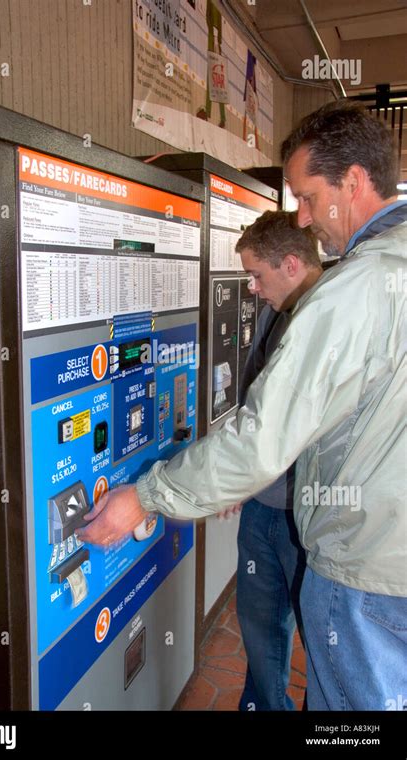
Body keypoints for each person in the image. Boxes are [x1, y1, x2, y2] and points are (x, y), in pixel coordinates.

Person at [77, 100, 407, 711]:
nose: (304, 219)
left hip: (365, 571)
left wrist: (147, 494)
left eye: (308, 197)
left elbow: (261, 439)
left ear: (354, 181)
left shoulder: (356, 288)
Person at [234, 211, 322, 711]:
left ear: (290, 264)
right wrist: (237, 480)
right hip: (262, 508)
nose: (251, 287)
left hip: (312, 514)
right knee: (260, 628)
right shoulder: (273, 309)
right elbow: (253, 407)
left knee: (323, 642)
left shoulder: (330, 317)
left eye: (256, 275)